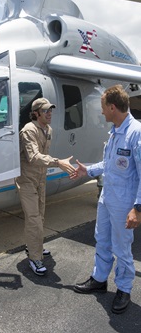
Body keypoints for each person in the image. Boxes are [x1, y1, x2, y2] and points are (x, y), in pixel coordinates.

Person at [70, 84, 141, 314]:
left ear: (112, 107)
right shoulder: (114, 131)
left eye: (103, 108)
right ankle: (99, 280)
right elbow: (109, 165)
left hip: (124, 203)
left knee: (122, 248)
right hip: (107, 198)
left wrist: (137, 209)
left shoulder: (135, 133)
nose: (101, 112)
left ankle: (123, 289)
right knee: (101, 240)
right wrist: (87, 171)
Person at [15, 97, 75, 276]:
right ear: (36, 113)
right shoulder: (28, 130)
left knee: (40, 216)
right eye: (46, 110)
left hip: (40, 179)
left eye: (51, 110)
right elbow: (33, 157)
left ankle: (35, 246)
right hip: (26, 179)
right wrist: (58, 163)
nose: (50, 113)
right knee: (33, 217)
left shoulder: (48, 129)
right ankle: (34, 257)